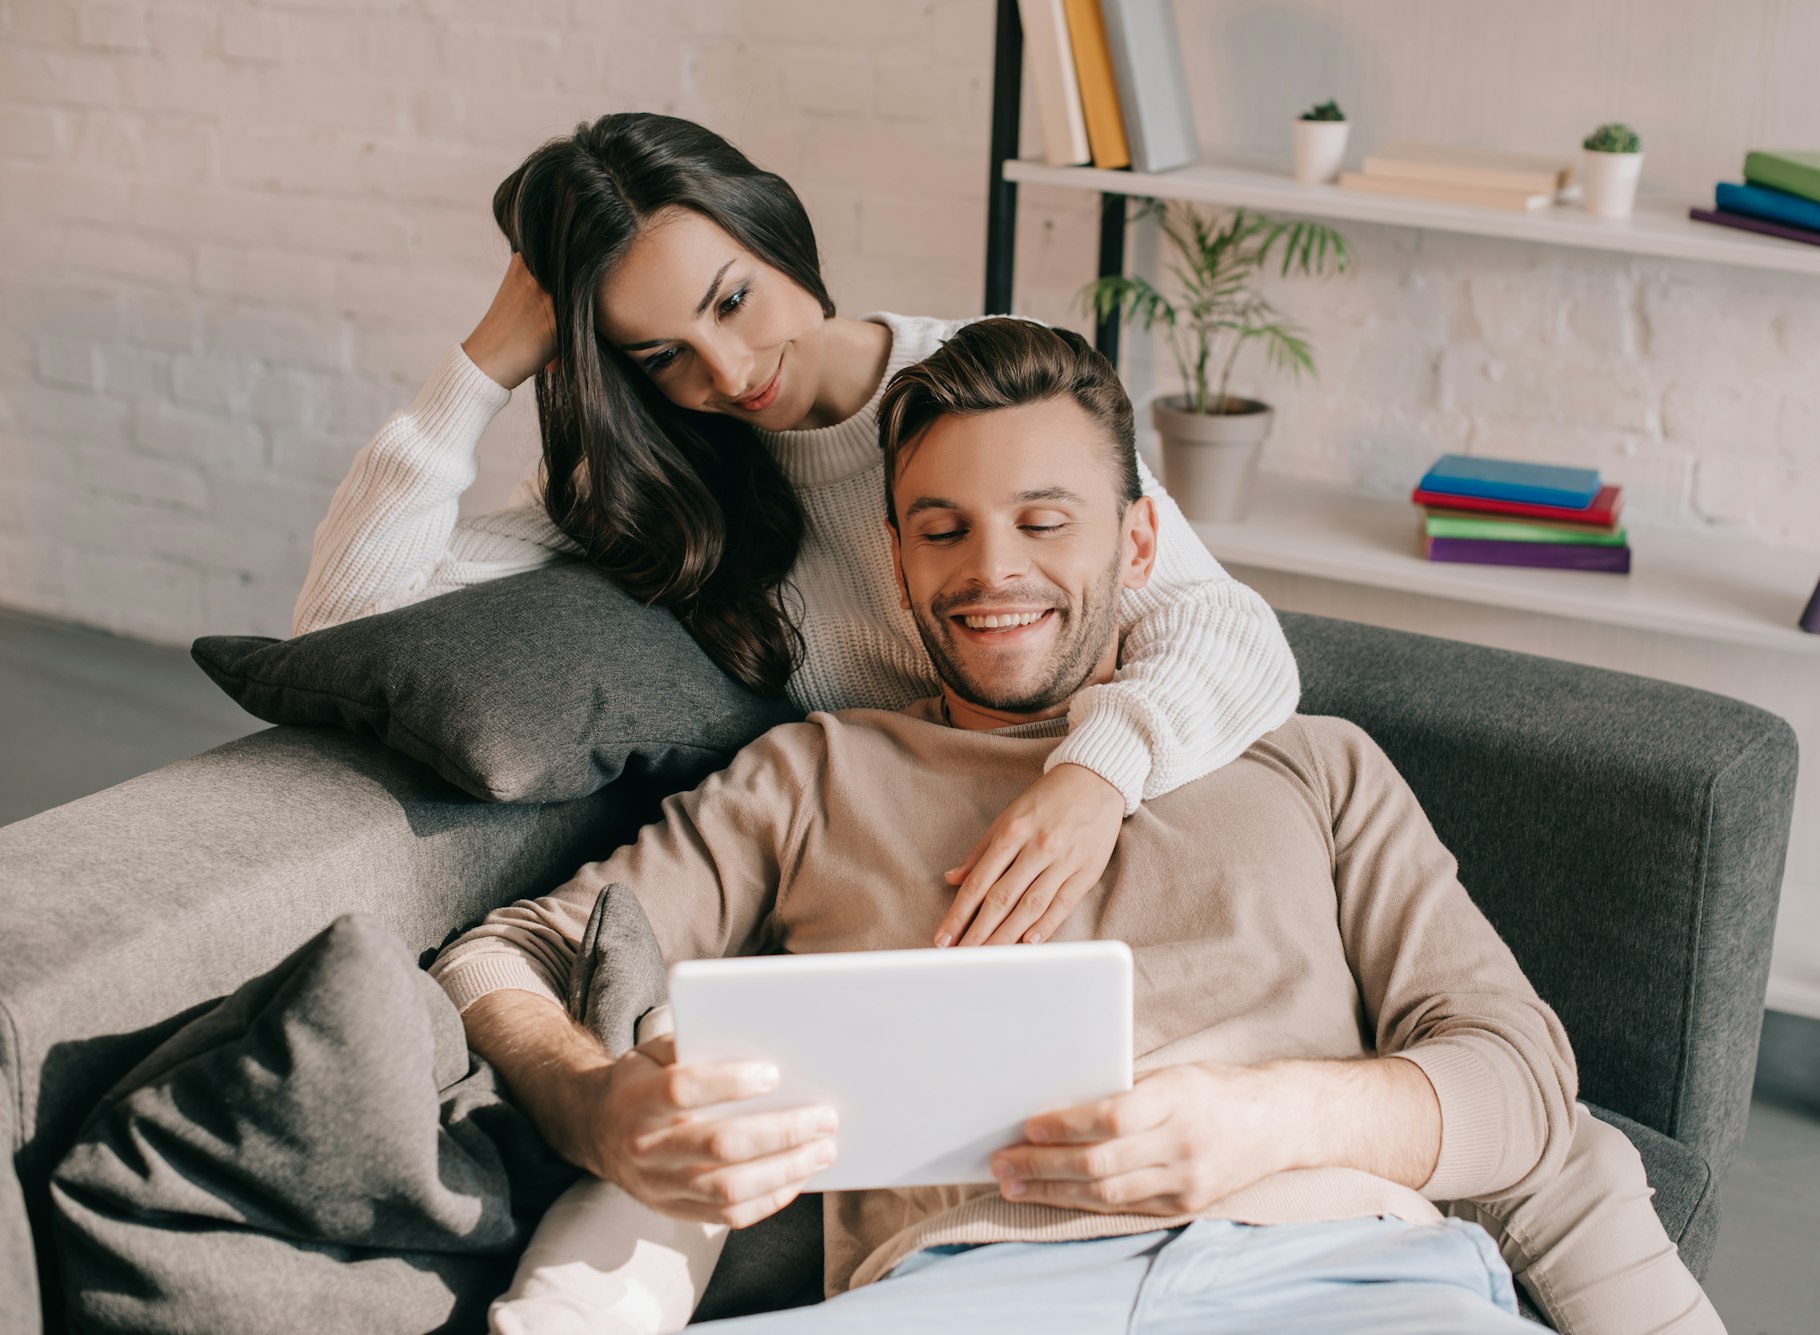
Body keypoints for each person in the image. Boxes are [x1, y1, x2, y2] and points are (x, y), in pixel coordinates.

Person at [432, 319, 1724, 1333]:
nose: (994, 569)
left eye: (1045, 522)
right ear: (896, 557)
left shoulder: (1312, 766)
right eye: (945, 529)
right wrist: (593, 1099)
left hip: (1333, 1273)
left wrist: (1266, 1118)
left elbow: (1522, 1085)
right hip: (947, 1295)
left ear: (1141, 537)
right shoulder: (815, 774)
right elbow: (503, 951)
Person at [294, 112, 1299, 953]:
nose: (727, 374)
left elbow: (1228, 629)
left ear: (773, 226)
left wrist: (1092, 777)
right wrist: (485, 363)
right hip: (899, 885)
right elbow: (345, 623)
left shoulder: (980, 388)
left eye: (731, 301)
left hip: (1109, 836)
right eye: (662, 356)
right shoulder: (666, 480)